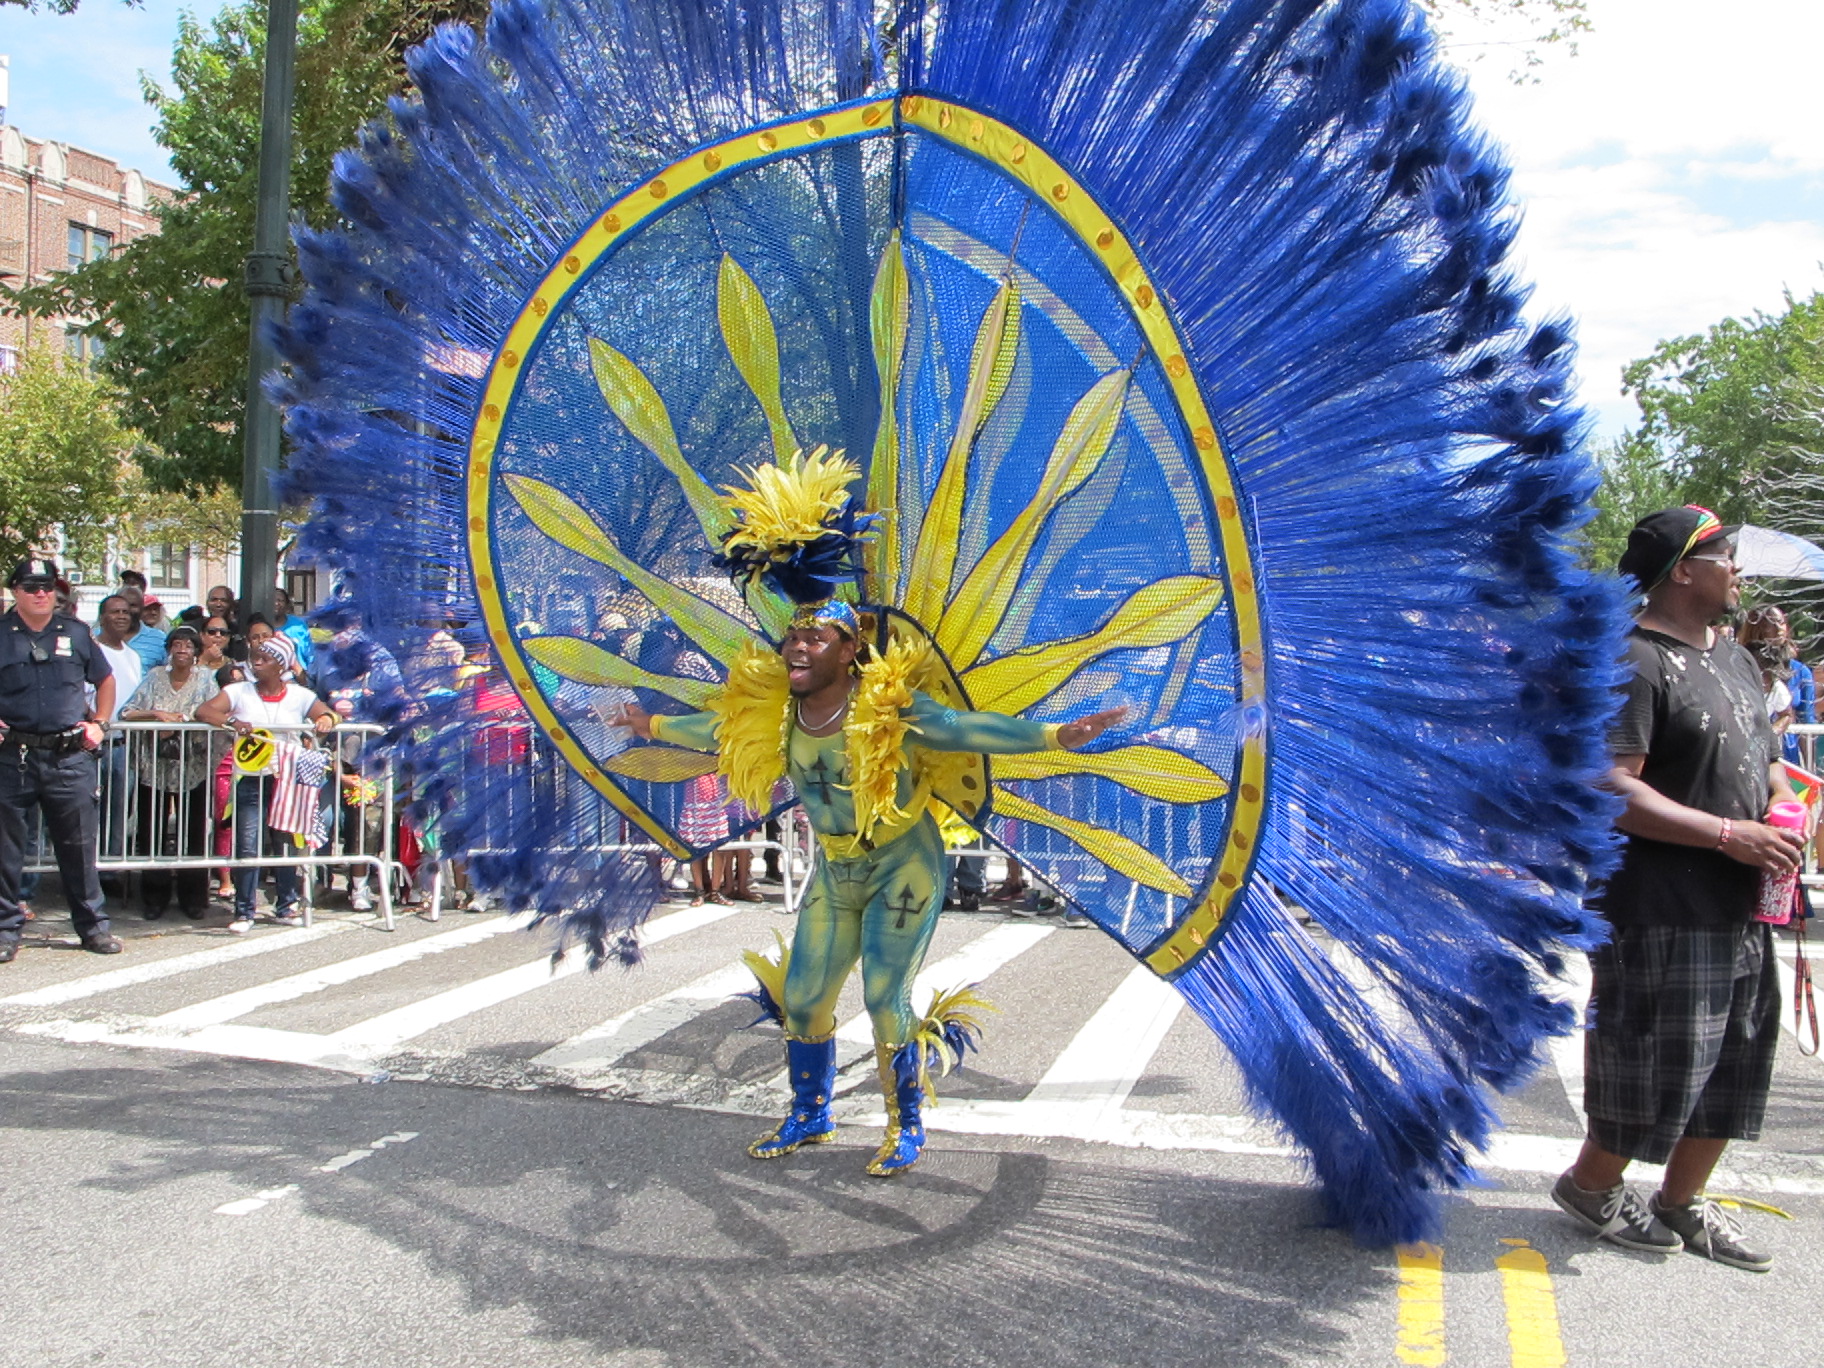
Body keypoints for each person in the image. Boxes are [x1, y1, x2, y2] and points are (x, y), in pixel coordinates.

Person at [611, 456, 1123, 1176]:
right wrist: (651, 728)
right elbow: (716, 735)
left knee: (885, 996)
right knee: (807, 996)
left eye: (814, 639)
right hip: (838, 866)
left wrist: (1051, 737)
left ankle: (904, 1124)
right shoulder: (777, 712)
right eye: (793, 637)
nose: (796, 645)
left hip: (903, 861)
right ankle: (810, 1115)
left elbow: (964, 731)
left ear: (851, 653)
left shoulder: (887, 705)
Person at [1554, 507, 1802, 1273]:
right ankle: (1592, 1188)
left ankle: (1681, 1204)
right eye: (1723, 554)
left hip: (1739, 903)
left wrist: (1784, 806)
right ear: (1682, 571)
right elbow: (1614, 790)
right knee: (1653, 1065)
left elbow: (1764, 760)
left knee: (1736, 1064)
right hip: (1658, 906)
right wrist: (1732, 835)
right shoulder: (1632, 659)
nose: (1738, 567)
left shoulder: (1734, 660)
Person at [0, 558, 120, 962]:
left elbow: (104, 679)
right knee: (5, 850)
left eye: (48, 586)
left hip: (68, 757)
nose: (41, 593)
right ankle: (4, 930)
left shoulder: (76, 632)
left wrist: (100, 723)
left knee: (78, 847)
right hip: (11, 755)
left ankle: (93, 927)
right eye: (32, 586)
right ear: (15, 590)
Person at [195, 634, 336, 933]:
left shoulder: (300, 695)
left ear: (281, 664)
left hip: (287, 779)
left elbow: (325, 712)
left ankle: (286, 905)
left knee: (284, 843)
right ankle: (244, 911)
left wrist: (325, 720)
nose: (257, 661)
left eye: (266, 657)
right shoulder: (239, 691)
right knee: (248, 843)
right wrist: (232, 722)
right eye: (255, 655)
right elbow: (204, 711)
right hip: (250, 779)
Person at [120, 626, 221, 919]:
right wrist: (155, 715)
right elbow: (126, 713)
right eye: (176, 644)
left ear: (196, 651)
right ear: (168, 650)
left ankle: (193, 896)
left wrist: (187, 722)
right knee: (152, 832)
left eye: (188, 645)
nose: (182, 650)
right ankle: (154, 895)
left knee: (194, 833)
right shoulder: (154, 678)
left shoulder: (206, 680)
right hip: (156, 767)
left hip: (193, 767)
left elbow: (215, 714)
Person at [92, 595, 144, 862]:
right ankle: (86, 866)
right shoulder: (91, 650)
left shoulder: (133, 656)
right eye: (115, 612)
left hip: (124, 744)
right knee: (89, 810)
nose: (122, 616)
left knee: (119, 810)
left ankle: (111, 867)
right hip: (91, 744)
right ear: (102, 617)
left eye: (126, 611)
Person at [117, 584, 167, 673]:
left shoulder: (160, 639)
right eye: (122, 605)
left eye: (133, 605)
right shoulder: (97, 637)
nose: (126, 610)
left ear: (141, 608)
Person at [272, 587, 316, 673]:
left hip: (300, 676)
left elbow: (309, 653)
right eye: (272, 600)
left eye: (280, 600)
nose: (276, 603)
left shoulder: (298, 625)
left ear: (287, 605)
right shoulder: (262, 627)